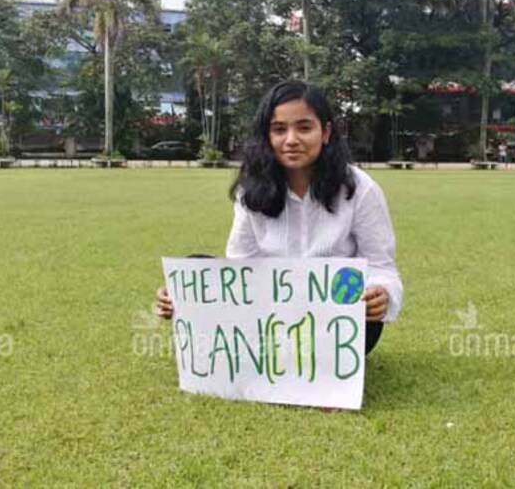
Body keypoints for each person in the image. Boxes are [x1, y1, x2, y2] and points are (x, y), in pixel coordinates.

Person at [153, 80, 403, 356]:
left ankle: (318, 359)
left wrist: (381, 293)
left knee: (367, 319)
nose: (291, 140)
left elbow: (381, 266)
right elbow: (240, 266)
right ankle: (267, 349)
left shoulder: (359, 189)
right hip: (267, 316)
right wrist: (181, 294)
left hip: (333, 323)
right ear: (267, 136)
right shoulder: (252, 190)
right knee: (196, 266)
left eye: (304, 128)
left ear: (325, 133)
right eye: (279, 129)